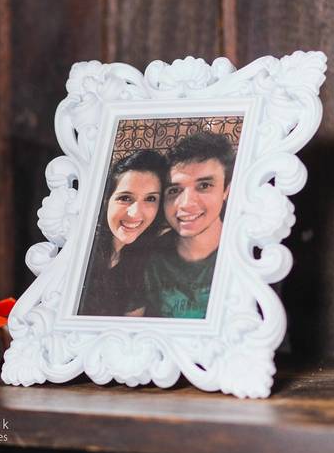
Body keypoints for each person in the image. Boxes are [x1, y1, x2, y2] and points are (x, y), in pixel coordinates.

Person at [143, 131, 235, 319]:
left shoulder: (244, 253)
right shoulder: (147, 260)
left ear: (226, 190)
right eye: (174, 190)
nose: (186, 203)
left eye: (204, 186)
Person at [79, 150, 167, 316]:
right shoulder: (82, 253)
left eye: (150, 199)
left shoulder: (145, 261)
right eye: (125, 198)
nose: (135, 213)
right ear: (106, 200)